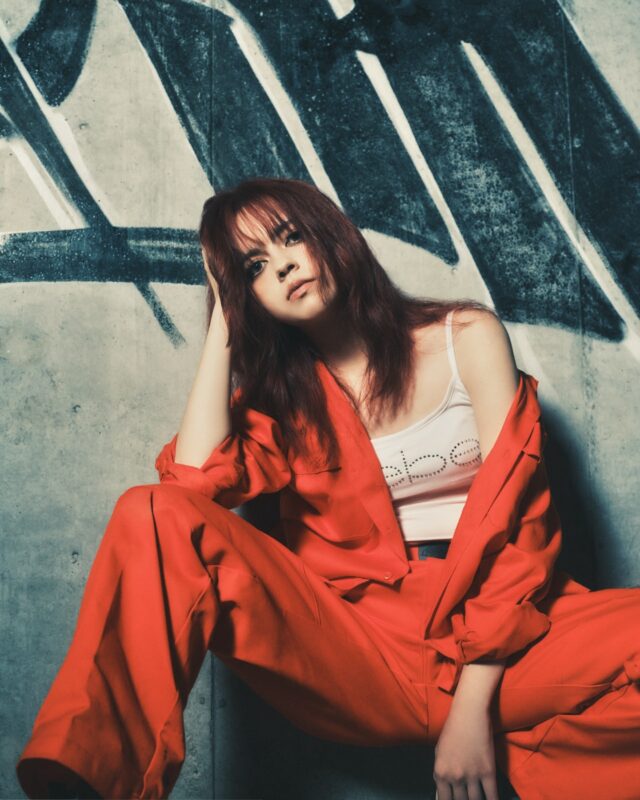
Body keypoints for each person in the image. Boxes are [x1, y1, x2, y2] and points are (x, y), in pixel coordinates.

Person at [16, 178, 640, 800]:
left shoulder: (465, 337)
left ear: (332, 236)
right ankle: (89, 789)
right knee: (150, 509)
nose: (282, 265)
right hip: (361, 649)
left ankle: (539, 751)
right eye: (254, 266)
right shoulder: (282, 400)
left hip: (501, 635)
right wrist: (224, 321)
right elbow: (189, 484)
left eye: (291, 238)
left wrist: (472, 713)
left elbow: (521, 524)